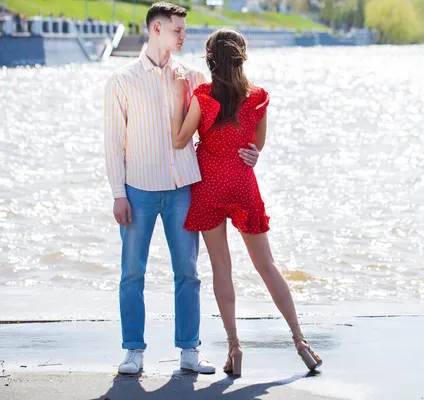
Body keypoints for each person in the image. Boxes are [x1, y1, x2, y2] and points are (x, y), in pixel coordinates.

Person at [103, 3, 260, 375]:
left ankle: (189, 350)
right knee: (132, 273)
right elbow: (113, 142)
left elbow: (229, 120)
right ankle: (133, 351)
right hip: (138, 189)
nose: (184, 36)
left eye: (184, 30)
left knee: (188, 273)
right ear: (156, 29)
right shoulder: (122, 81)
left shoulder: (193, 78)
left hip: (184, 189)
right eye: (177, 30)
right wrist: (117, 194)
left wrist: (251, 151)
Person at [170, 28, 322, 376]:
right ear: (242, 58)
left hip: (208, 186)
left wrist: (181, 103)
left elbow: (180, 141)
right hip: (242, 184)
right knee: (266, 265)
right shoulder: (258, 98)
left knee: (222, 268)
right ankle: (300, 340)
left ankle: (234, 346)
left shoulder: (203, 96)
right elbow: (257, 148)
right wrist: (248, 154)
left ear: (210, 61)